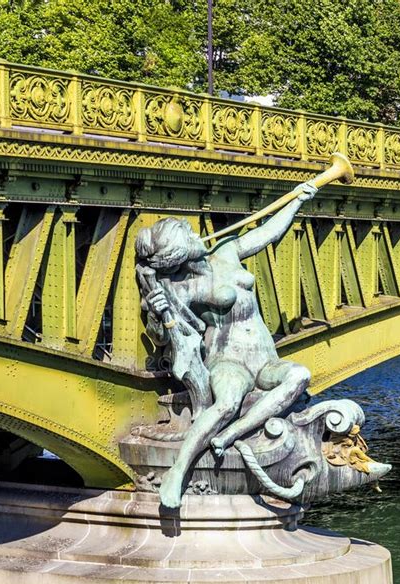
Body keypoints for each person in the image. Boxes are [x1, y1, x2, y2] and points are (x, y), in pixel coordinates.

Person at [135, 182, 317, 507]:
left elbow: (268, 233)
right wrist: (155, 311)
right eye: (188, 235)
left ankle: (231, 435)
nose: (196, 235)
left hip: (264, 359)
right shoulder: (183, 288)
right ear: (179, 253)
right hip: (228, 361)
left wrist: (296, 202)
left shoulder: (225, 252)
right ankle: (179, 471)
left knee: (299, 375)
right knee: (227, 401)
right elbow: (161, 338)